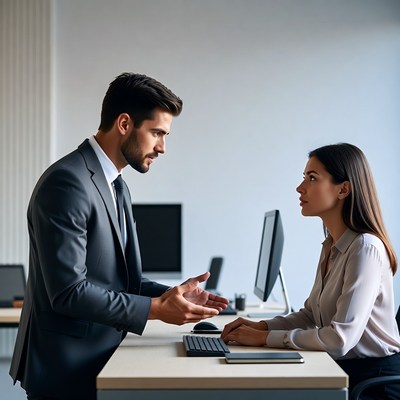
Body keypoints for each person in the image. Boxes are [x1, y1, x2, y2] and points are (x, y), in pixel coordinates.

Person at [9, 72, 228, 400]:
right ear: (124, 123)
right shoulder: (67, 183)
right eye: (157, 133)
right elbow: (68, 292)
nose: (162, 147)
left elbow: (125, 281)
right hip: (67, 369)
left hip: (101, 357)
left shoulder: (117, 185)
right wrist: (155, 309)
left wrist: (174, 296)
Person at [222, 143, 400, 399]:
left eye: (312, 178)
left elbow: (340, 339)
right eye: (304, 177)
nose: (300, 187)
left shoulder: (365, 247)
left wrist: (265, 338)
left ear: (343, 189)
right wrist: (260, 326)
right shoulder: (331, 245)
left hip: (372, 383)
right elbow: (310, 315)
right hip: (344, 370)